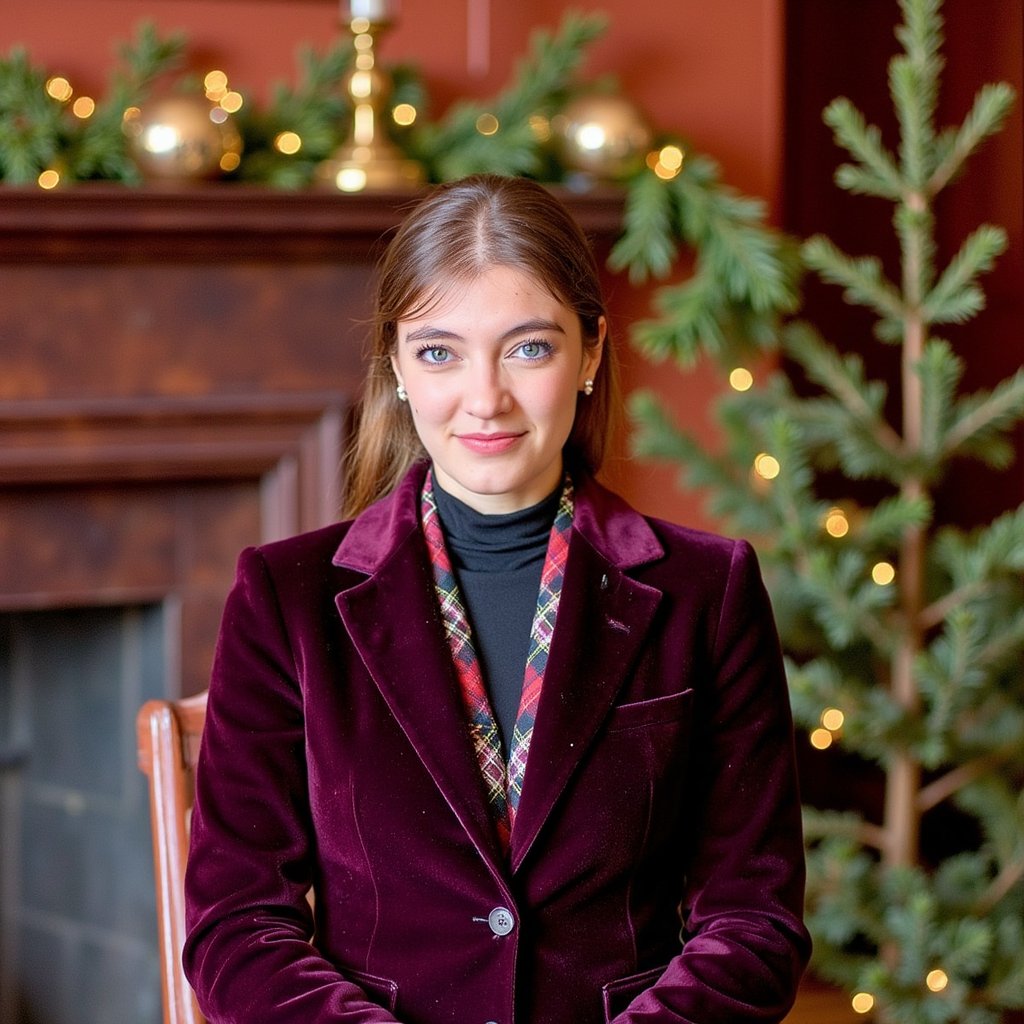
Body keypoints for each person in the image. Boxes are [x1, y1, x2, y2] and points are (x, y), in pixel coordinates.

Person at [183, 173, 811, 1024]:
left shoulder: (709, 590)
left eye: (528, 348)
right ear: (398, 367)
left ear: (590, 353)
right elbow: (237, 924)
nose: (485, 399)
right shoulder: (283, 597)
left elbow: (753, 921)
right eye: (439, 351)